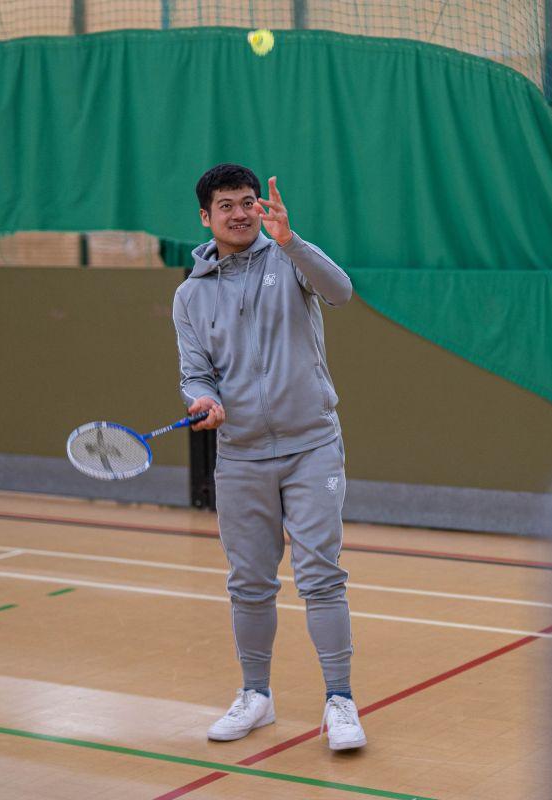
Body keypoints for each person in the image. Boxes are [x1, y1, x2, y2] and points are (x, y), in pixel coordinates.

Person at [172, 163, 365, 750]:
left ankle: (340, 702)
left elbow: (341, 292)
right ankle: (256, 695)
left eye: (248, 201)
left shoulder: (291, 259)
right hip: (242, 455)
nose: (240, 211)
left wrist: (291, 240)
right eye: (227, 204)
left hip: (312, 446)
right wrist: (202, 398)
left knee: (321, 577)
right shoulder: (189, 294)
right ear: (206, 217)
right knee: (249, 583)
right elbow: (194, 373)